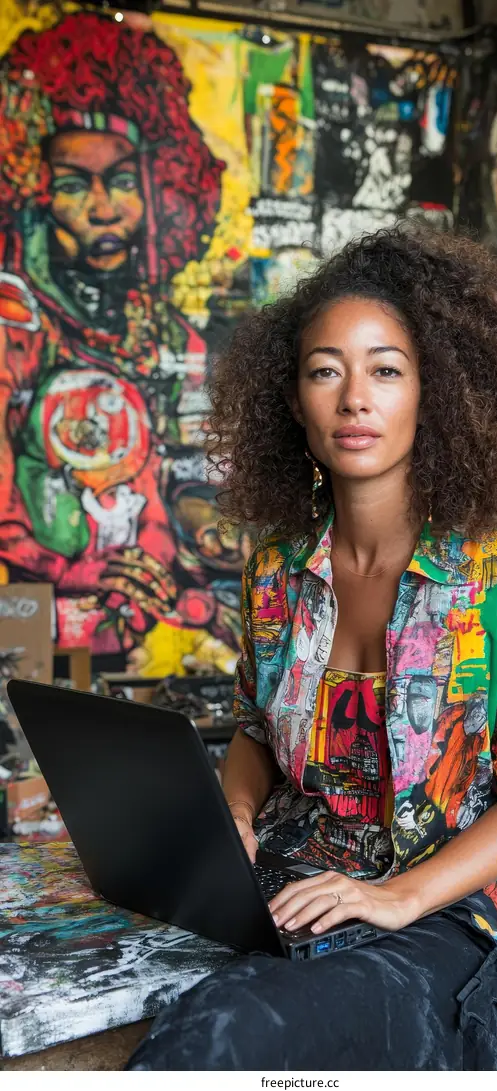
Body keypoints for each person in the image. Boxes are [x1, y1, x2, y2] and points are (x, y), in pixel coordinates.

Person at [128, 226, 497, 1071]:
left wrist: (393, 897)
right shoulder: (276, 570)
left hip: (448, 921)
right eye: (324, 369)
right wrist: (232, 817)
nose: (354, 398)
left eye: (386, 369)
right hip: (293, 878)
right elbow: (252, 735)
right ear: (292, 398)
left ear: (437, 392)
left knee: (222, 1037)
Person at [0, 11, 244, 669]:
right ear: (35, 190)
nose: (104, 207)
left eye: (124, 181)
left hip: (146, 632)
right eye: (75, 183)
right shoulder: (13, 323)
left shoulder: (174, 338)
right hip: (24, 628)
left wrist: (209, 530)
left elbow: (186, 472)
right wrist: (96, 577)